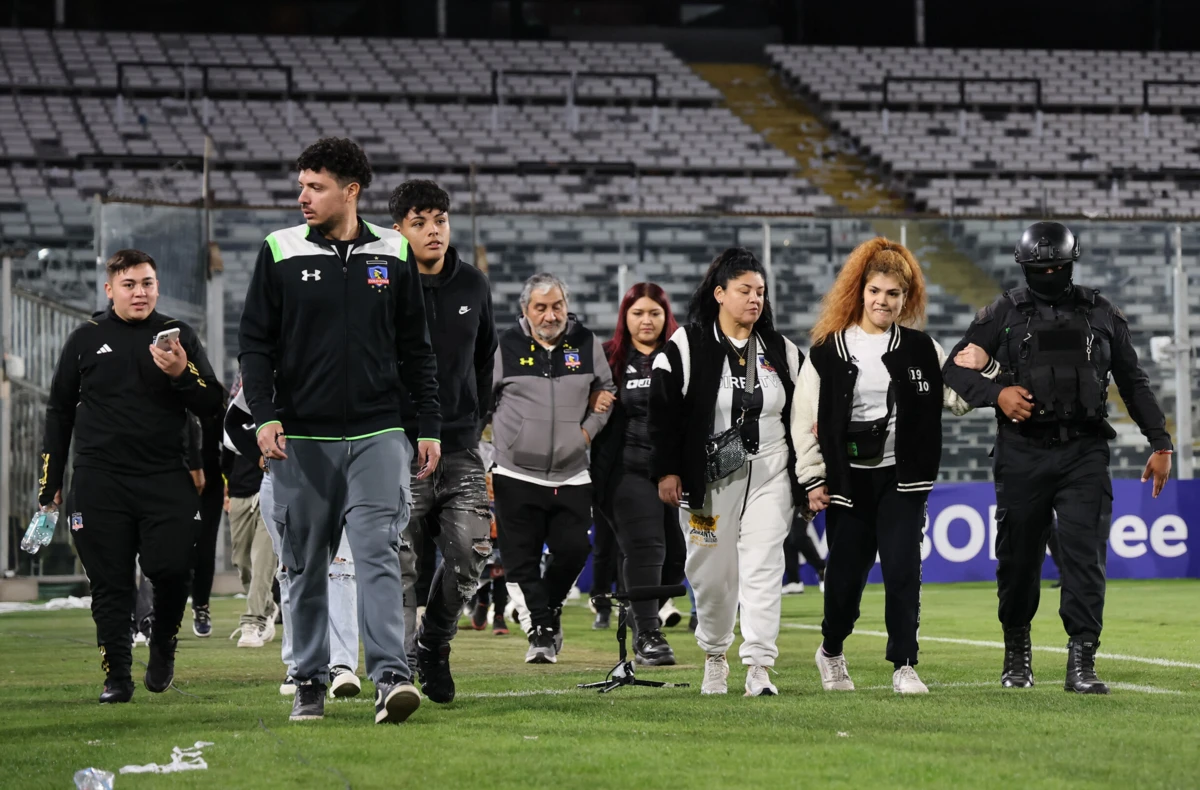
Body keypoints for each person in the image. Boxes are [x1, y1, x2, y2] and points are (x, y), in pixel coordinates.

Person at [239, 137, 441, 723]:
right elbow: (255, 343)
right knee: (303, 563)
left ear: (350, 192)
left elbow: (416, 352)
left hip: (380, 435)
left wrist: (425, 426)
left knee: (378, 553)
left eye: (315, 186)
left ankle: (389, 679)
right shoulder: (279, 250)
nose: (302, 196)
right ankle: (308, 678)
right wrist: (266, 414)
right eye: (302, 184)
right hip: (301, 439)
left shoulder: (395, 253)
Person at [942, 221, 1172, 694]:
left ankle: (1082, 661)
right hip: (1021, 451)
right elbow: (952, 368)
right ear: (1023, 267)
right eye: (1038, 267)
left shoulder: (1102, 313)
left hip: (1084, 451)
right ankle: (1017, 656)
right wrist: (998, 393)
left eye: (1056, 266)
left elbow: (1134, 382)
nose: (1047, 273)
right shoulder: (1003, 312)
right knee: (1018, 558)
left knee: (1084, 557)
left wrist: (1160, 442)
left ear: (1071, 264)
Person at [792, 237, 995, 695]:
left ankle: (904, 663)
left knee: (904, 569)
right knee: (844, 580)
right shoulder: (827, 350)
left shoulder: (923, 348)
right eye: (876, 291)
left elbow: (957, 400)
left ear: (907, 298)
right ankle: (831, 650)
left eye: (893, 294)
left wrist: (988, 366)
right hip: (848, 482)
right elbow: (804, 419)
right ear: (859, 291)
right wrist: (812, 478)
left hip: (903, 480)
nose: (883, 301)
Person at [38, 248, 223, 703]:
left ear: (157, 286)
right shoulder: (85, 339)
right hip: (100, 479)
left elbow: (212, 402)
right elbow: (59, 411)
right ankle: (116, 677)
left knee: (173, 568)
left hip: (166, 475)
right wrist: (51, 481)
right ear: (110, 290)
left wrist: (183, 373)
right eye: (129, 285)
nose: (140, 293)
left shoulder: (178, 338)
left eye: (147, 283)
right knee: (111, 583)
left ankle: (163, 643)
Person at [649, 248, 804, 697]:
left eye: (760, 291)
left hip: (770, 472)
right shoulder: (685, 345)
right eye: (744, 290)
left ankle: (758, 665)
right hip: (708, 481)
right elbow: (661, 414)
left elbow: (803, 411)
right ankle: (715, 655)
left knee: (763, 565)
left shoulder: (782, 350)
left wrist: (807, 474)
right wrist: (667, 471)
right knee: (711, 572)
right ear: (719, 293)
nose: (754, 299)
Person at [387, 179, 498, 704]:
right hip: (397, 448)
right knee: (400, 564)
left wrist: (470, 423)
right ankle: (402, 666)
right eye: (420, 222)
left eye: (440, 220)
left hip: (458, 448)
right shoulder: (382, 283)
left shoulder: (474, 284)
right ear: (398, 230)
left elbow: (483, 362)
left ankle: (434, 644)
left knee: (471, 556)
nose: (434, 231)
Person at [488, 272, 616, 664]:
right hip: (514, 472)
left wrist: (586, 433)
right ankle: (541, 631)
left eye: (557, 305)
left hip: (573, 471)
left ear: (566, 305)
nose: (550, 314)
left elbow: (606, 390)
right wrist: (487, 458)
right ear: (525, 310)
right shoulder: (504, 345)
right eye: (540, 307)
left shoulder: (586, 341)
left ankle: (551, 606)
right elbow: (480, 401)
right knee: (520, 559)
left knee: (574, 550)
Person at [223, 384, 361, 698]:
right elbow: (232, 421)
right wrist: (263, 460)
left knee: (340, 567)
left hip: (337, 474)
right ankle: (299, 666)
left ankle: (341, 666)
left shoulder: (342, 358)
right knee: (290, 570)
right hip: (282, 477)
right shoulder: (271, 370)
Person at [590, 282, 687, 665]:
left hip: (673, 473)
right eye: (637, 313)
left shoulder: (683, 356)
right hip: (624, 471)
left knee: (677, 559)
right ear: (624, 318)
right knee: (647, 547)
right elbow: (572, 396)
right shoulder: (607, 358)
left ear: (666, 317)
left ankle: (636, 612)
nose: (646, 320)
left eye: (654, 313)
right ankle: (648, 635)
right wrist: (591, 398)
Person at [221, 373, 278, 648]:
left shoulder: (280, 404)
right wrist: (226, 490)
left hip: (272, 490)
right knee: (242, 563)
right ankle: (268, 608)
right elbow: (225, 459)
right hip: (240, 493)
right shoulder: (234, 414)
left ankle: (252, 622)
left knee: (262, 561)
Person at [189, 408, 227, 637]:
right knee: (172, 549)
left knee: (205, 548)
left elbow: (230, 440)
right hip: (174, 479)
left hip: (210, 483)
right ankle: (157, 613)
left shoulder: (213, 400)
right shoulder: (166, 392)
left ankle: (201, 606)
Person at [781, 513, 825, 594]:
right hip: (784, 502)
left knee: (798, 535)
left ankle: (822, 569)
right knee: (787, 536)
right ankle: (793, 581)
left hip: (802, 502)